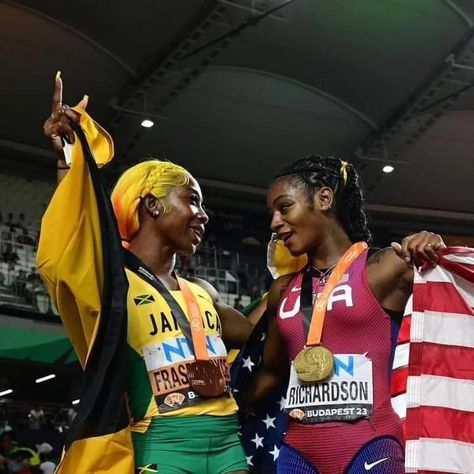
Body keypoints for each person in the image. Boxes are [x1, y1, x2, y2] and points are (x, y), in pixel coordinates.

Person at [38, 73, 262, 474]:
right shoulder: (113, 285)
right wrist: (69, 160)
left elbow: (261, 333)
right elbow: (70, 246)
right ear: (152, 205)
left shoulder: (203, 291)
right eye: (192, 200)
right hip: (162, 446)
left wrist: (297, 276)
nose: (203, 215)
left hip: (229, 445)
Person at [246, 155, 446, 474]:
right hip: (298, 454)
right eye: (271, 213)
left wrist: (434, 248)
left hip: (371, 447)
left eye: (284, 208)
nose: (274, 223)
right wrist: (217, 406)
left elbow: (451, 291)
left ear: (324, 199)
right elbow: (270, 375)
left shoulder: (383, 269)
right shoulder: (282, 291)